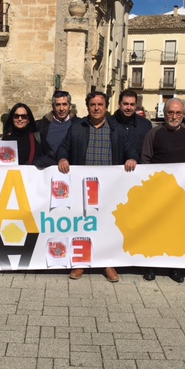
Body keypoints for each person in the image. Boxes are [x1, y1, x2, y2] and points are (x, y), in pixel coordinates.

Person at [57, 91, 138, 283]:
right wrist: (62, 158)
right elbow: (63, 147)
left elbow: (130, 148)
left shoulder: (117, 129)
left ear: (107, 107)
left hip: (108, 189)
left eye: (100, 105)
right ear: (88, 107)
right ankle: (81, 263)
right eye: (92, 104)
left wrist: (132, 158)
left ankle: (107, 263)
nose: (96, 108)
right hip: (82, 188)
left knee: (108, 226)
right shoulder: (77, 127)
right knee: (83, 225)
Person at [141, 97, 185, 283]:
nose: (174, 116)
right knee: (154, 228)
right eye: (170, 112)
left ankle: (175, 267)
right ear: (164, 114)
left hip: (179, 194)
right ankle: (150, 265)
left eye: (178, 113)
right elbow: (145, 161)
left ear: (184, 115)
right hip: (156, 191)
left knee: (176, 230)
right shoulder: (154, 133)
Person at [34, 90, 80, 167]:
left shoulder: (79, 125)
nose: (61, 108)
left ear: (70, 106)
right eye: (58, 105)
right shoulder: (40, 126)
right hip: (47, 170)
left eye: (64, 104)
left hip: (71, 171)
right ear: (53, 106)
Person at [113, 89, 152, 158]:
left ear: (136, 106)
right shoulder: (109, 123)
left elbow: (149, 149)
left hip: (138, 167)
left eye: (132, 104)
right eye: (125, 104)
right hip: (114, 167)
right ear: (119, 104)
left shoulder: (145, 125)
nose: (129, 108)